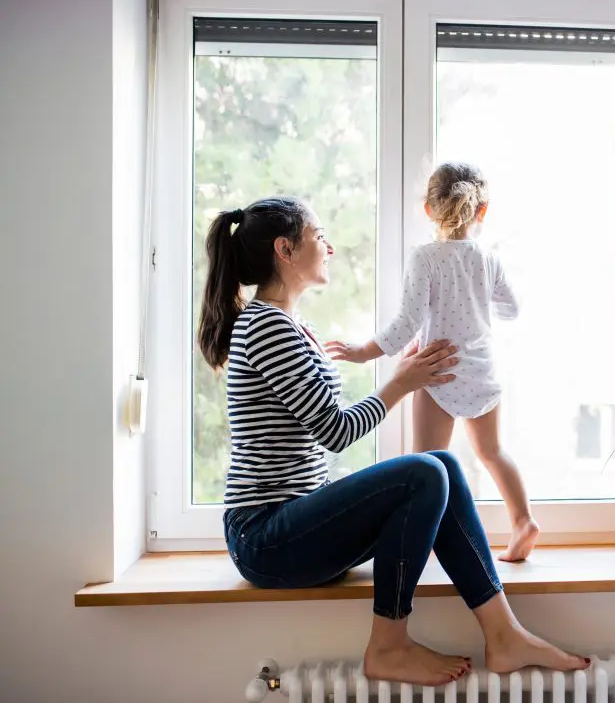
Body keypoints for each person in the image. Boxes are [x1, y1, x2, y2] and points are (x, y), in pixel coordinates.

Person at [197, 196, 588, 686]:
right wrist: (401, 382)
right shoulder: (267, 327)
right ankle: (388, 644)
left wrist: (403, 373)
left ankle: (504, 634)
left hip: (294, 523)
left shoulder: (293, 326)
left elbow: (318, 420)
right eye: (319, 236)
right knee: (424, 471)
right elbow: (335, 430)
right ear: (285, 249)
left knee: (440, 464)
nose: (330, 247)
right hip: (265, 537)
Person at [331, 163, 539, 562]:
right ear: (482, 212)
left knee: (424, 466)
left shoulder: (424, 258)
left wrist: (362, 352)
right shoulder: (487, 259)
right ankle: (523, 520)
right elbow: (512, 308)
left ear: (428, 210)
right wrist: (477, 300)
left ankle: (420, 542)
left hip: (436, 371)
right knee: (493, 452)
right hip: (482, 370)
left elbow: (407, 323)